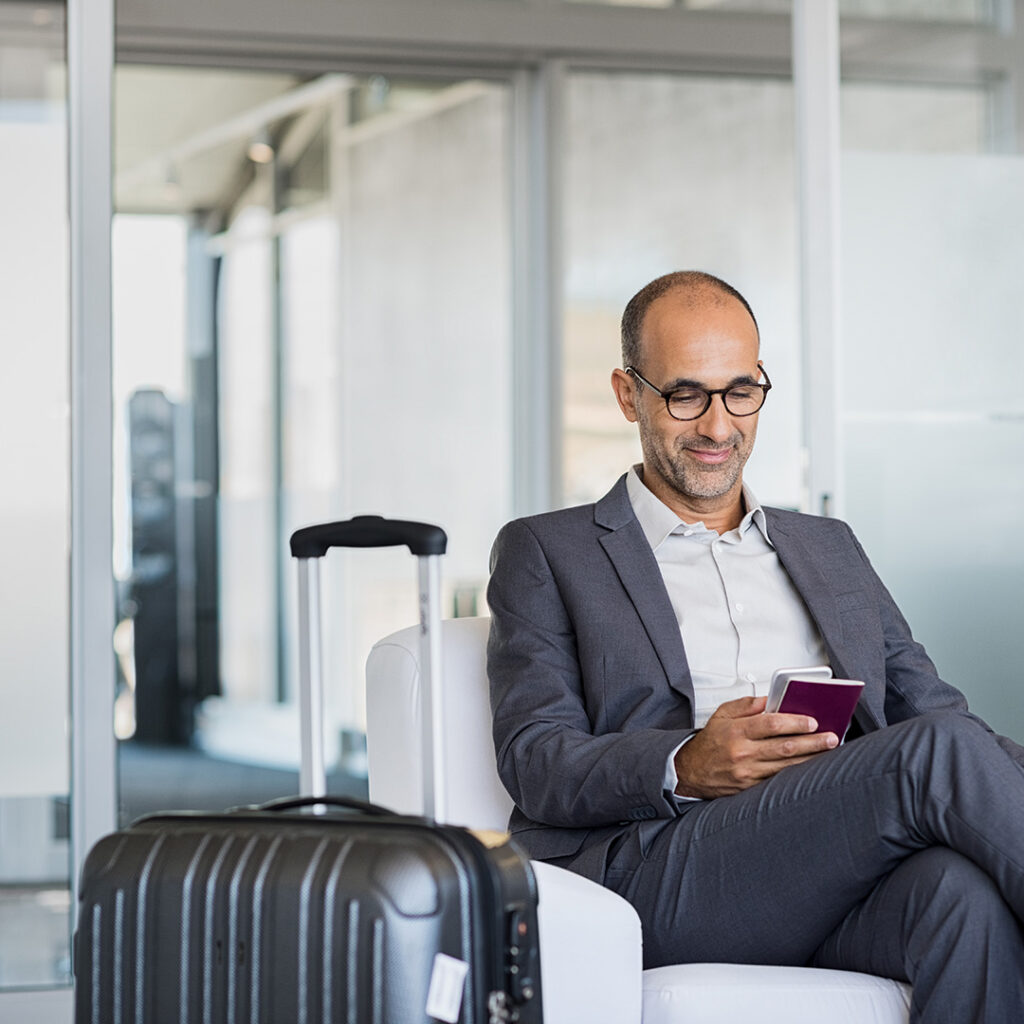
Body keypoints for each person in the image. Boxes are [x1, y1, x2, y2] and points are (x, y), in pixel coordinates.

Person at [487, 270, 1024, 1023]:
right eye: (686, 395)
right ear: (627, 393)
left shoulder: (828, 546)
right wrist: (685, 764)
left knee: (961, 898)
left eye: (741, 391)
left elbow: (936, 712)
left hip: (831, 861)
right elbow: (535, 758)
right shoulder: (548, 550)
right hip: (668, 872)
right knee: (932, 753)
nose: (718, 426)